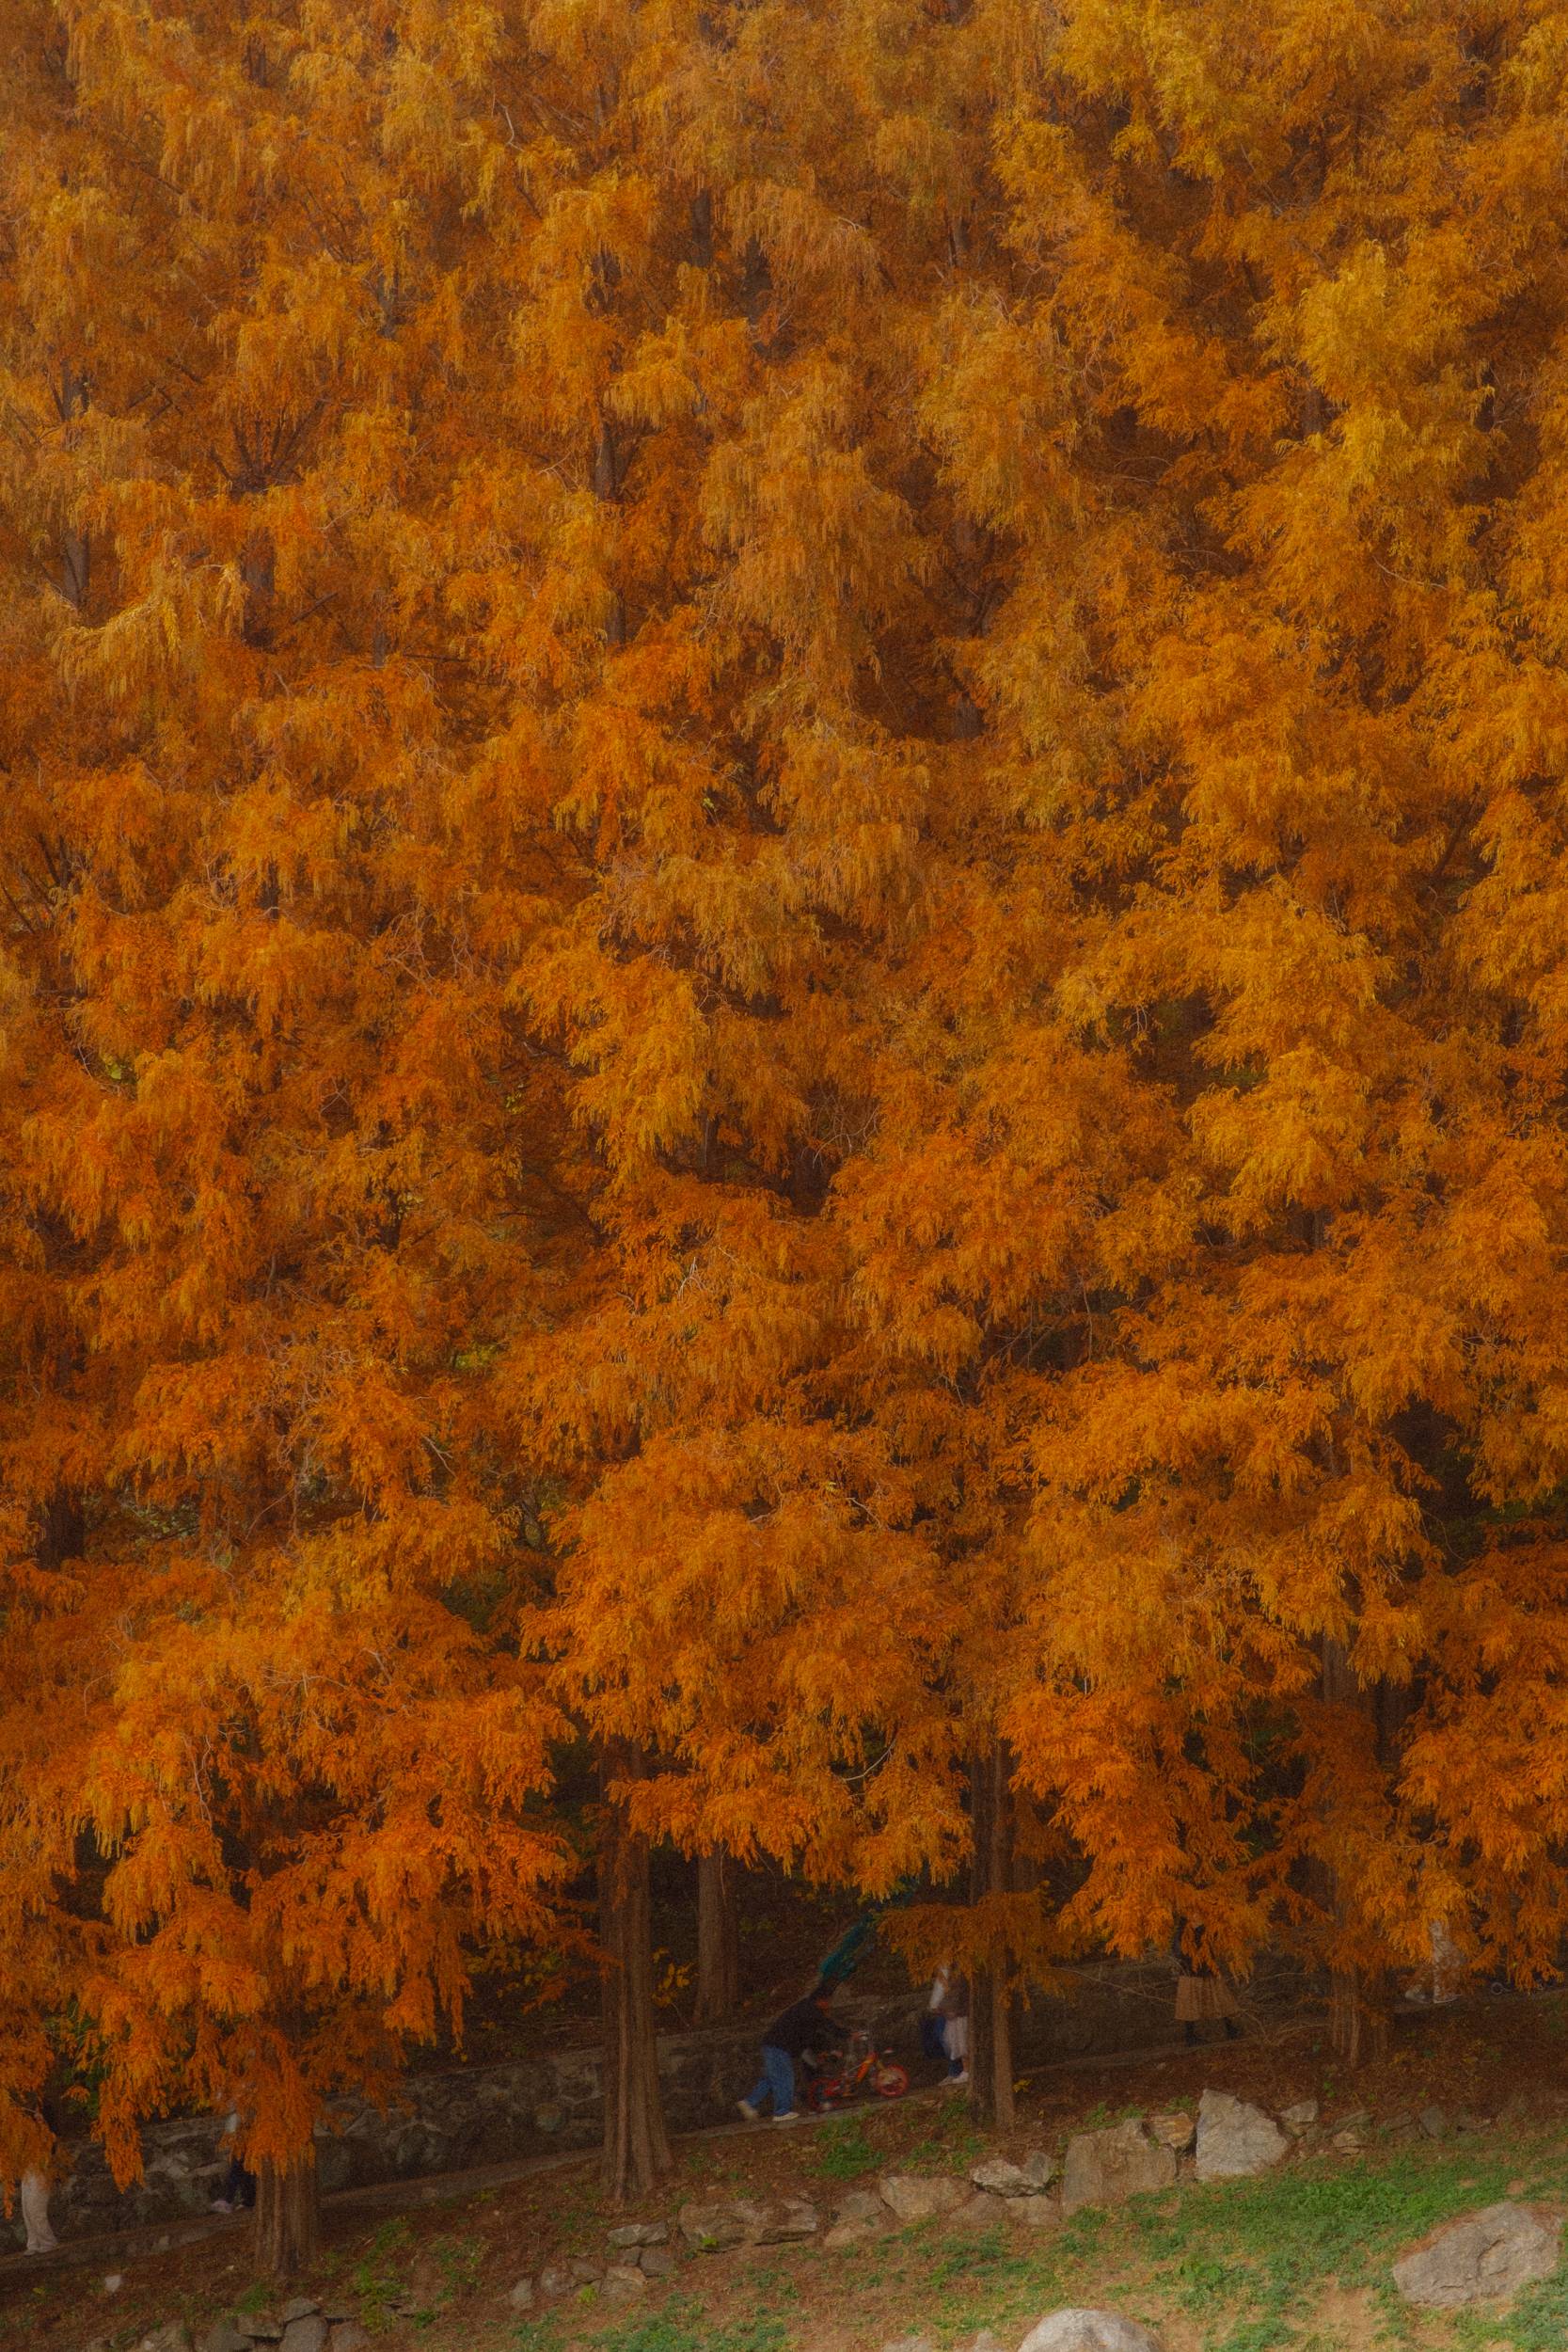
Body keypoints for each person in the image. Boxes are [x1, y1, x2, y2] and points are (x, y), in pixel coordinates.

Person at [737, 1987, 834, 2124]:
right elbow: (821, 2030)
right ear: (821, 2001)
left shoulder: (803, 2008)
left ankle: (749, 2102)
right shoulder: (811, 2012)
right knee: (785, 2077)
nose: (829, 2004)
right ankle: (781, 2111)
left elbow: (809, 2036)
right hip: (779, 2047)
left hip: (772, 2044)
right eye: (828, 2001)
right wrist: (846, 2034)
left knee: (770, 2078)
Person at [1173, 1931, 1242, 2045]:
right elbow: (1179, 1950)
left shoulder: (1203, 1925)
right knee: (1192, 2002)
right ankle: (1190, 2036)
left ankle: (1230, 2028)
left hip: (1204, 1967)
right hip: (1192, 1969)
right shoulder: (1184, 1929)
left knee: (1219, 1996)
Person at [210, 2110, 257, 2214]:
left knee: (240, 2172)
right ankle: (243, 2200)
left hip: (243, 2142)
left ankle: (234, 2199)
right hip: (240, 2142)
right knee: (241, 2172)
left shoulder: (241, 2113)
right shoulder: (237, 2113)